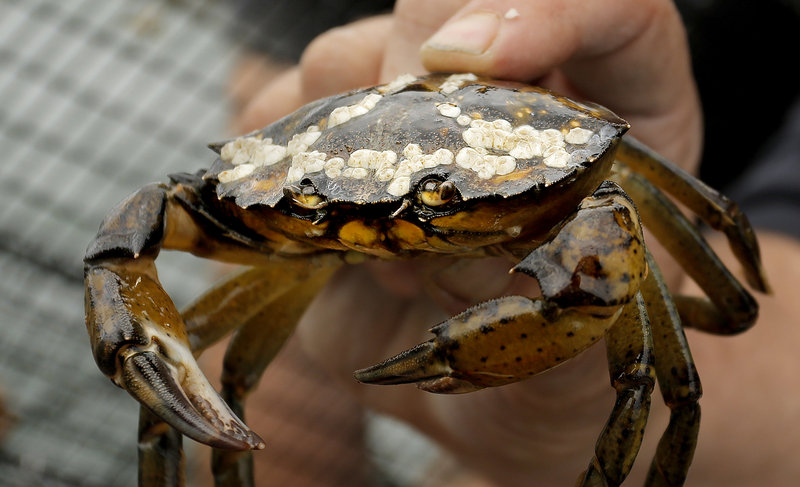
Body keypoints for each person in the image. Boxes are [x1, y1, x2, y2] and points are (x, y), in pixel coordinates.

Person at [217, 1, 800, 485]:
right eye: (322, 197)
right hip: (332, 320)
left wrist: (564, 405)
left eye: (442, 197)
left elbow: (733, 311)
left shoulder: (603, 194)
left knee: (647, 383)